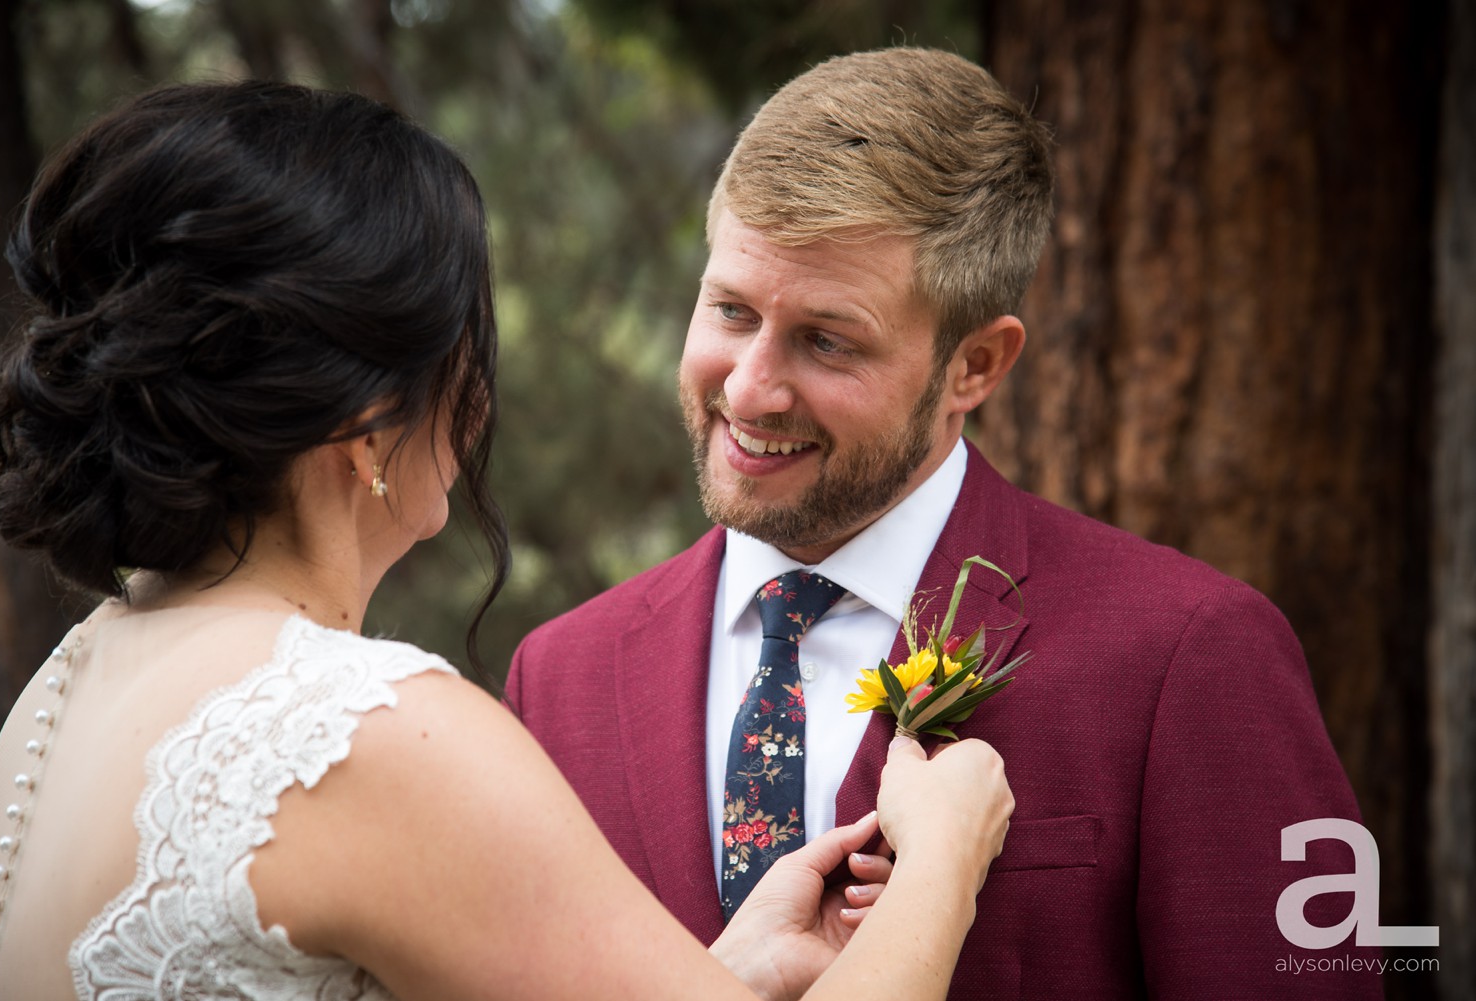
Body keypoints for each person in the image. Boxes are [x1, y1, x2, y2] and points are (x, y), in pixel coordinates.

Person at [0, 80, 1016, 1000]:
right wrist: (937, 867)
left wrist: (725, 973)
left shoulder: (61, 695)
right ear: (369, 420)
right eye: (464, 349)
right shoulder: (366, 733)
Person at [508, 47, 1383, 999]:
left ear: (975, 366)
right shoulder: (558, 677)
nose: (750, 388)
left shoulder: (1193, 653)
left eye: (826, 340)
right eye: (729, 309)